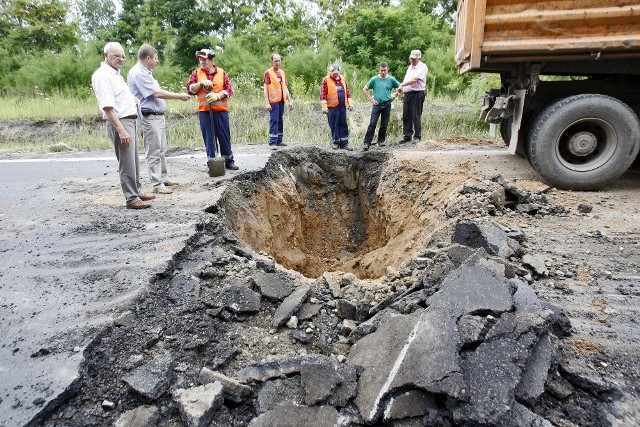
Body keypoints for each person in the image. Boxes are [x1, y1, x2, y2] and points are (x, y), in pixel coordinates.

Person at [91, 42, 155, 209]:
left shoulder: (115, 74)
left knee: (133, 160)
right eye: (116, 56)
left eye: (123, 56)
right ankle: (132, 198)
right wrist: (120, 130)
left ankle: (137, 191)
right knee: (126, 162)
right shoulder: (102, 76)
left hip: (130, 120)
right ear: (106, 56)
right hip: (120, 122)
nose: (121, 59)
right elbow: (107, 106)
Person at [127, 44, 191, 194]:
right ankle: (157, 184)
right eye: (155, 58)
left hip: (157, 117)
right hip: (149, 117)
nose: (157, 61)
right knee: (154, 151)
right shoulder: (138, 73)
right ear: (148, 58)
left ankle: (163, 177)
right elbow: (156, 93)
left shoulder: (147, 72)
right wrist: (179, 96)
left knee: (161, 149)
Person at [186, 48, 239, 171]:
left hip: (221, 111)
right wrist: (200, 84)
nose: (202, 62)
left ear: (211, 60)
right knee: (209, 138)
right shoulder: (196, 73)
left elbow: (229, 90)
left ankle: (228, 161)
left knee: (224, 136)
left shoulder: (221, 73)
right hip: (205, 111)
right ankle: (213, 164)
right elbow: (190, 88)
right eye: (200, 60)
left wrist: (218, 95)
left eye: (204, 60)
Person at [362, 62, 401, 150]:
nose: (383, 72)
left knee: (384, 124)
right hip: (377, 104)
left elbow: (400, 87)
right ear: (379, 70)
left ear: (388, 69)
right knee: (372, 123)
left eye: (384, 70)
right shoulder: (374, 79)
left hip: (387, 103)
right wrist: (371, 99)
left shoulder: (391, 79)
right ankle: (367, 143)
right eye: (381, 70)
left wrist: (395, 95)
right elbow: (365, 89)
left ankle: (381, 141)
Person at [397, 49, 429, 143]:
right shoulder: (410, 67)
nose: (413, 60)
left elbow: (414, 79)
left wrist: (402, 85)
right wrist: (403, 91)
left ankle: (417, 136)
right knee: (406, 114)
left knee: (416, 115)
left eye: (415, 59)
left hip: (417, 93)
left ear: (419, 58)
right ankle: (407, 136)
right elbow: (407, 80)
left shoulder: (423, 67)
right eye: (412, 58)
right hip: (408, 94)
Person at [263, 53, 293, 150]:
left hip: (281, 101)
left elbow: (285, 87)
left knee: (280, 120)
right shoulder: (268, 72)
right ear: (272, 61)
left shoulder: (282, 73)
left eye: (279, 60)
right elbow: (265, 89)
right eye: (276, 61)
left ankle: (279, 140)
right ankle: (272, 142)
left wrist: (290, 100)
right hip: (273, 101)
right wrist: (267, 103)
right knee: (274, 120)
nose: (278, 63)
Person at [320, 63, 353, 150]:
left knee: (343, 124)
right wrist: (324, 107)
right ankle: (336, 142)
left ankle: (344, 144)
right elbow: (323, 95)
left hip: (342, 106)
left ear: (339, 71)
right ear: (330, 72)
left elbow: (347, 92)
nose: (335, 74)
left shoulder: (342, 79)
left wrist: (350, 103)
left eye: (337, 72)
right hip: (332, 107)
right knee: (334, 124)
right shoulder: (326, 80)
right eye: (334, 73)